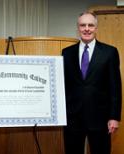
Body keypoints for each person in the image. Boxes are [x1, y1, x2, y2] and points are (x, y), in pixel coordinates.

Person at [62, 11, 122, 154]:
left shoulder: (110, 52)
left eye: (90, 25)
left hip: (100, 118)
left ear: (96, 28)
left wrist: (114, 117)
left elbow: (115, 87)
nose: (87, 29)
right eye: (83, 25)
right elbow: (63, 86)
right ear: (78, 27)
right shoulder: (66, 53)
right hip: (72, 118)